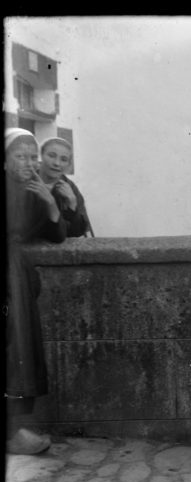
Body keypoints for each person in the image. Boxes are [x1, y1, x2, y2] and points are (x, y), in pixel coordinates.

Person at [5, 128, 67, 455]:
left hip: (15, 278)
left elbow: (57, 234)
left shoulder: (32, 190)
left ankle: (12, 433)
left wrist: (50, 202)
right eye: (20, 156)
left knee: (18, 354)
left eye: (32, 157)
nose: (28, 163)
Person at [38, 136, 92, 237]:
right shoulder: (27, 180)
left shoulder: (70, 187)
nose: (56, 163)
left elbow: (78, 232)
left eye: (63, 159)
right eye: (51, 155)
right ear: (41, 155)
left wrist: (72, 204)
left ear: (68, 164)